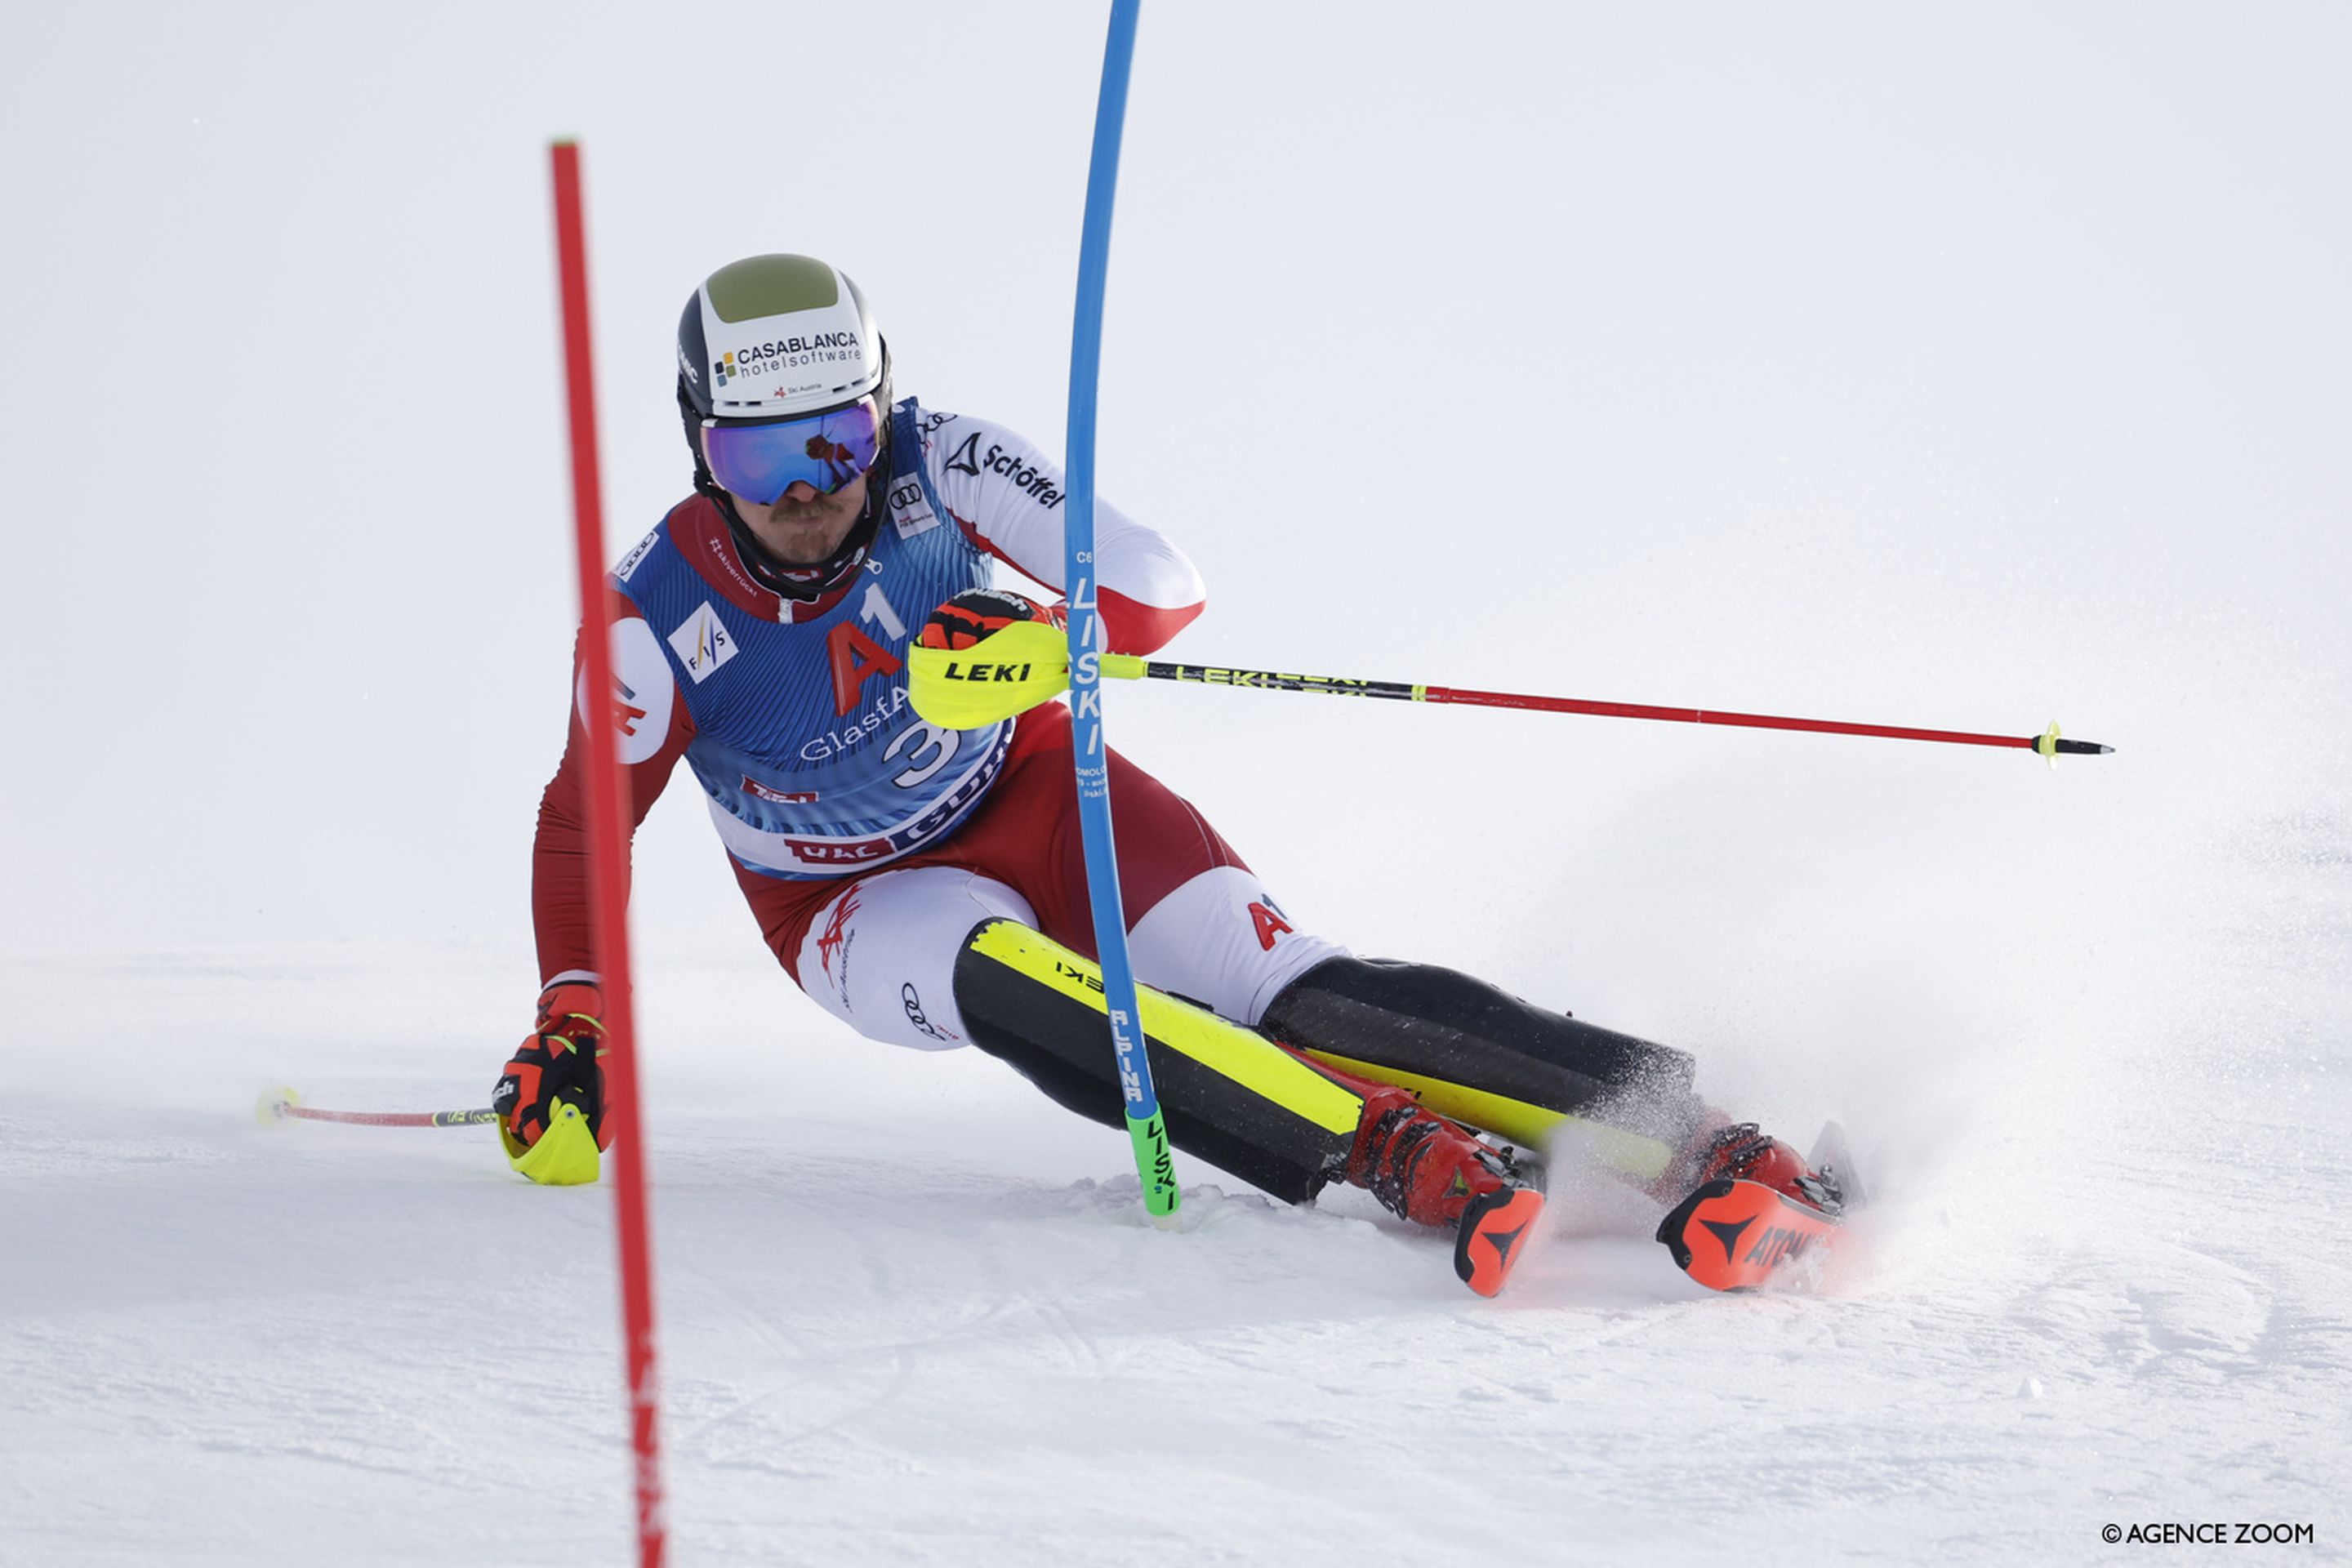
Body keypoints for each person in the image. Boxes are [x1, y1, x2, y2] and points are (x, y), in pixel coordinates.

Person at [493, 253, 1843, 1297]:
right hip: (850, 906)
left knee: (1296, 991)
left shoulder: (941, 463)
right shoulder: (651, 619)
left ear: (881, 412)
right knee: (1008, 974)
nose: (808, 493)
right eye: (758, 454)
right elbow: (583, 824)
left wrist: (1039, 639)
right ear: (699, 446)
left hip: (1033, 794)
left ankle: (1699, 1132)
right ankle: (1398, 1156)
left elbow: (1157, 586)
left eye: (836, 440)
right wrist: (577, 1017)